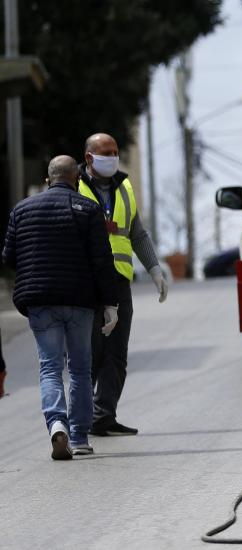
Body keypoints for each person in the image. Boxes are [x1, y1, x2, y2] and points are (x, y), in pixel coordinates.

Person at [2, 155, 120, 459]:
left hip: (40, 301)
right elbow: (102, 261)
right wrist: (111, 303)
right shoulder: (89, 209)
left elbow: (9, 257)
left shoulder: (22, 209)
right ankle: (79, 437)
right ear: (76, 180)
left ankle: (57, 424)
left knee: (50, 367)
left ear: (47, 179)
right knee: (80, 369)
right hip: (79, 301)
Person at [79, 133, 168, 436]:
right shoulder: (73, 186)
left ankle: (104, 415)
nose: (113, 157)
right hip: (85, 283)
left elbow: (137, 233)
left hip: (118, 282)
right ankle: (80, 418)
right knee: (89, 353)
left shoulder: (125, 186)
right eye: (106, 152)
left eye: (116, 152)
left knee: (116, 353)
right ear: (89, 158)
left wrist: (155, 269)